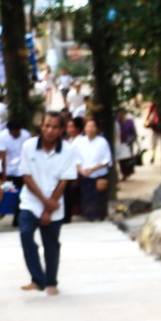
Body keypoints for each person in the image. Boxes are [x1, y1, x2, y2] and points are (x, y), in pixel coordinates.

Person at [18, 112, 76, 296]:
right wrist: (44, 202)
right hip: (31, 201)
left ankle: (51, 282)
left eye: (55, 127)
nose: (50, 130)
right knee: (25, 234)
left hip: (55, 203)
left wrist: (49, 209)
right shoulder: (28, 146)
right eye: (47, 126)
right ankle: (37, 279)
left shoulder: (68, 150)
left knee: (51, 244)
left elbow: (64, 180)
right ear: (41, 127)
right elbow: (26, 176)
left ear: (61, 130)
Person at [73, 113, 112, 220]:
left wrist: (93, 169)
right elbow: (76, 159)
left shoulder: (102, 142)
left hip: (99, 174)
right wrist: (81, 170)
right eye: (88, 126)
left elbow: (106, 160)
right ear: (84, 128)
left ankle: (100, 215)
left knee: (99, 197)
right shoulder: (80, 142)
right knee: (87, 197)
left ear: (97, 128)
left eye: (93, 126)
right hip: (85, 175)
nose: (90, 129)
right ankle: (88, 216)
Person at [115, 108, 138, 181]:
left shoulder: (130, 121)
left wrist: (131, 140)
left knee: (127, 159)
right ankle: (123, 173)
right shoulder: (117, 121)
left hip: (128, 142)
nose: (121, 115)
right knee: (121, 160)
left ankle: (127, 173)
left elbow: (134, 133)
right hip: (120, 143)